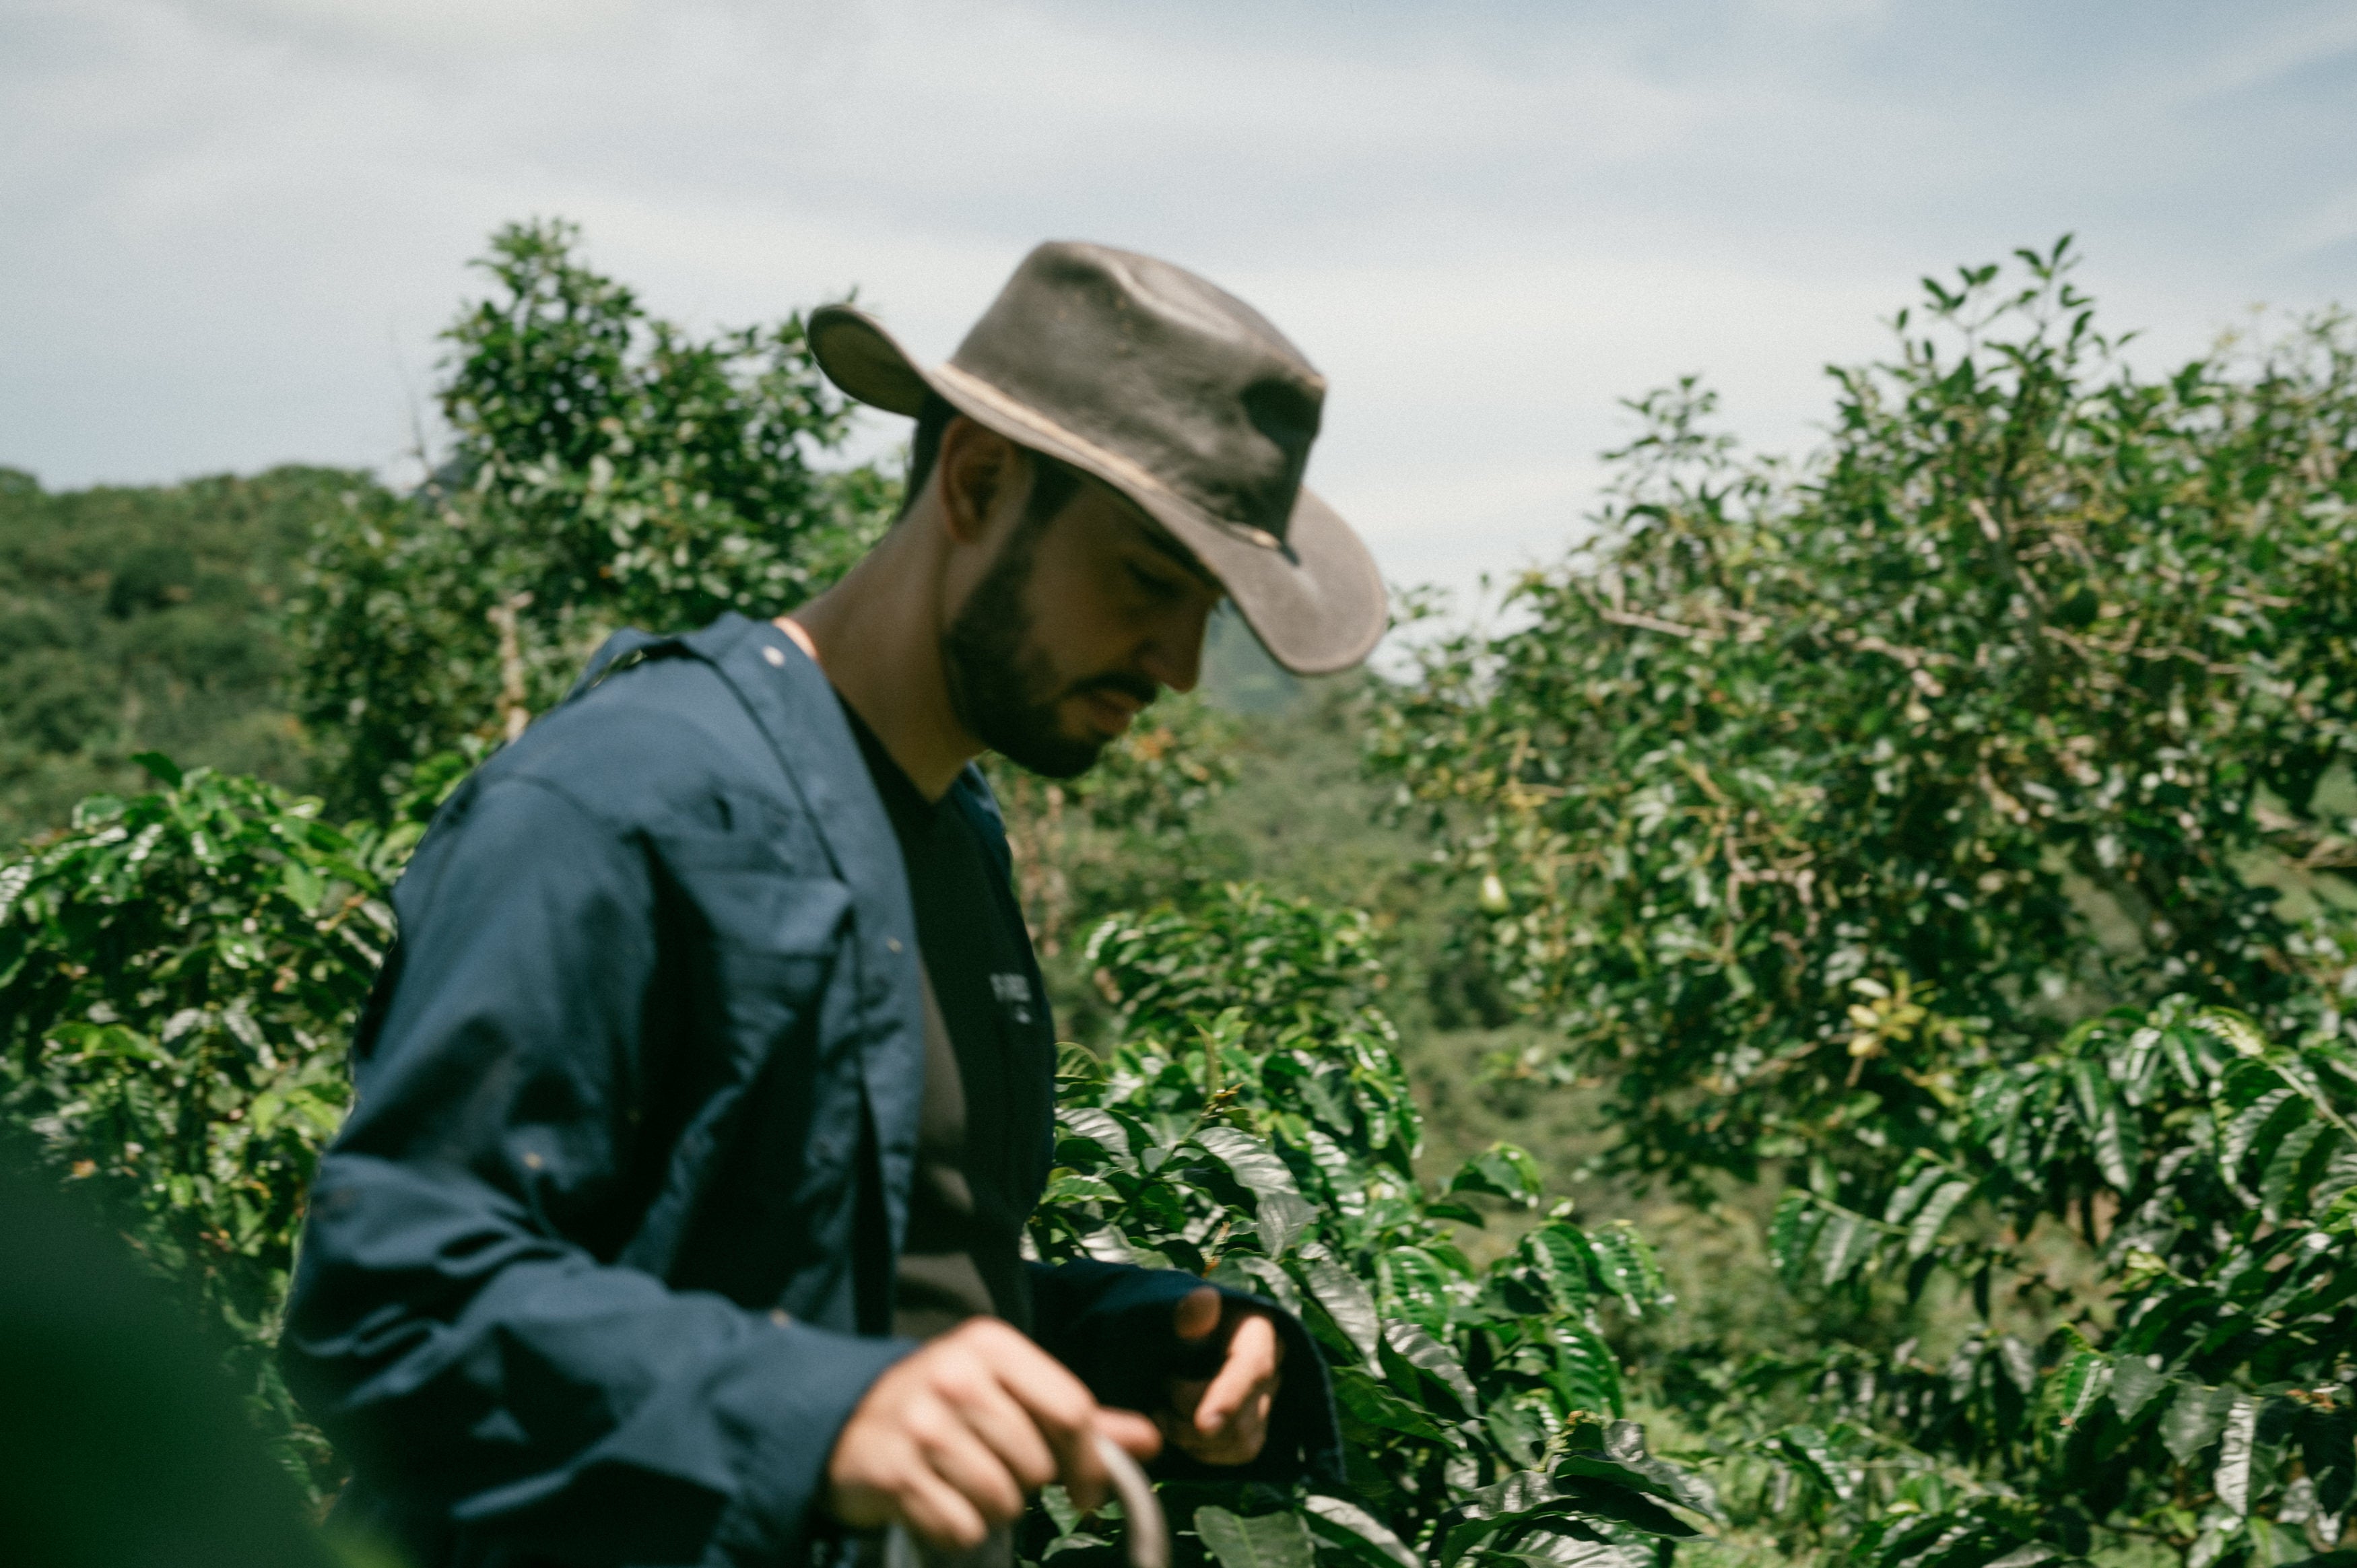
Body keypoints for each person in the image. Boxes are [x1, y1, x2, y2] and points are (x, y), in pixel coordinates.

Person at [281, 241, 1389, 1568]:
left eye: (1204, 610)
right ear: (978, 480)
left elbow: (852, 1302)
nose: (1179, 665)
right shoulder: (620, 800)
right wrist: (816, 1414)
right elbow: (390, 1309)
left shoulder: (956, 839)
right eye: (1149, 581)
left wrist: (1132, 1340)